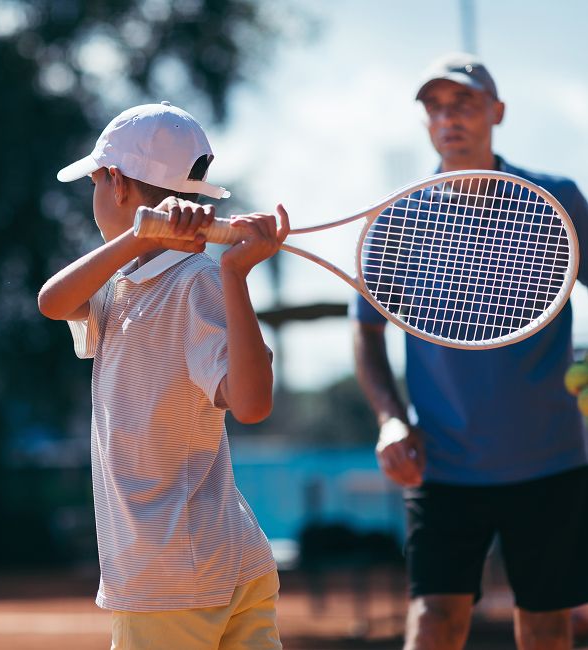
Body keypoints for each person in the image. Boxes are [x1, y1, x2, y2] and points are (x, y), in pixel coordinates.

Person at [351, 53, 588, 650]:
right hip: (444, 462)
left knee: (546, 624)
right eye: (435, 106)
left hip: (552, 460)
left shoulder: (558, 198)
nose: (448, 117)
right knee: (434, 620)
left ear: (497, 112)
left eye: (464, 103)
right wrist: (390, 420)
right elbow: (367, 331)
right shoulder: (398, 215)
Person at [38, 102, 289, 650]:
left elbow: (250, 404)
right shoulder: (117, 283)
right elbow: (53, 302)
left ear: (116, 183)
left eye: (96, 182)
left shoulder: (199, 280)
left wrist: (233, 274)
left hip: (164, 577)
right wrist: (140, 238)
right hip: (229, 559)